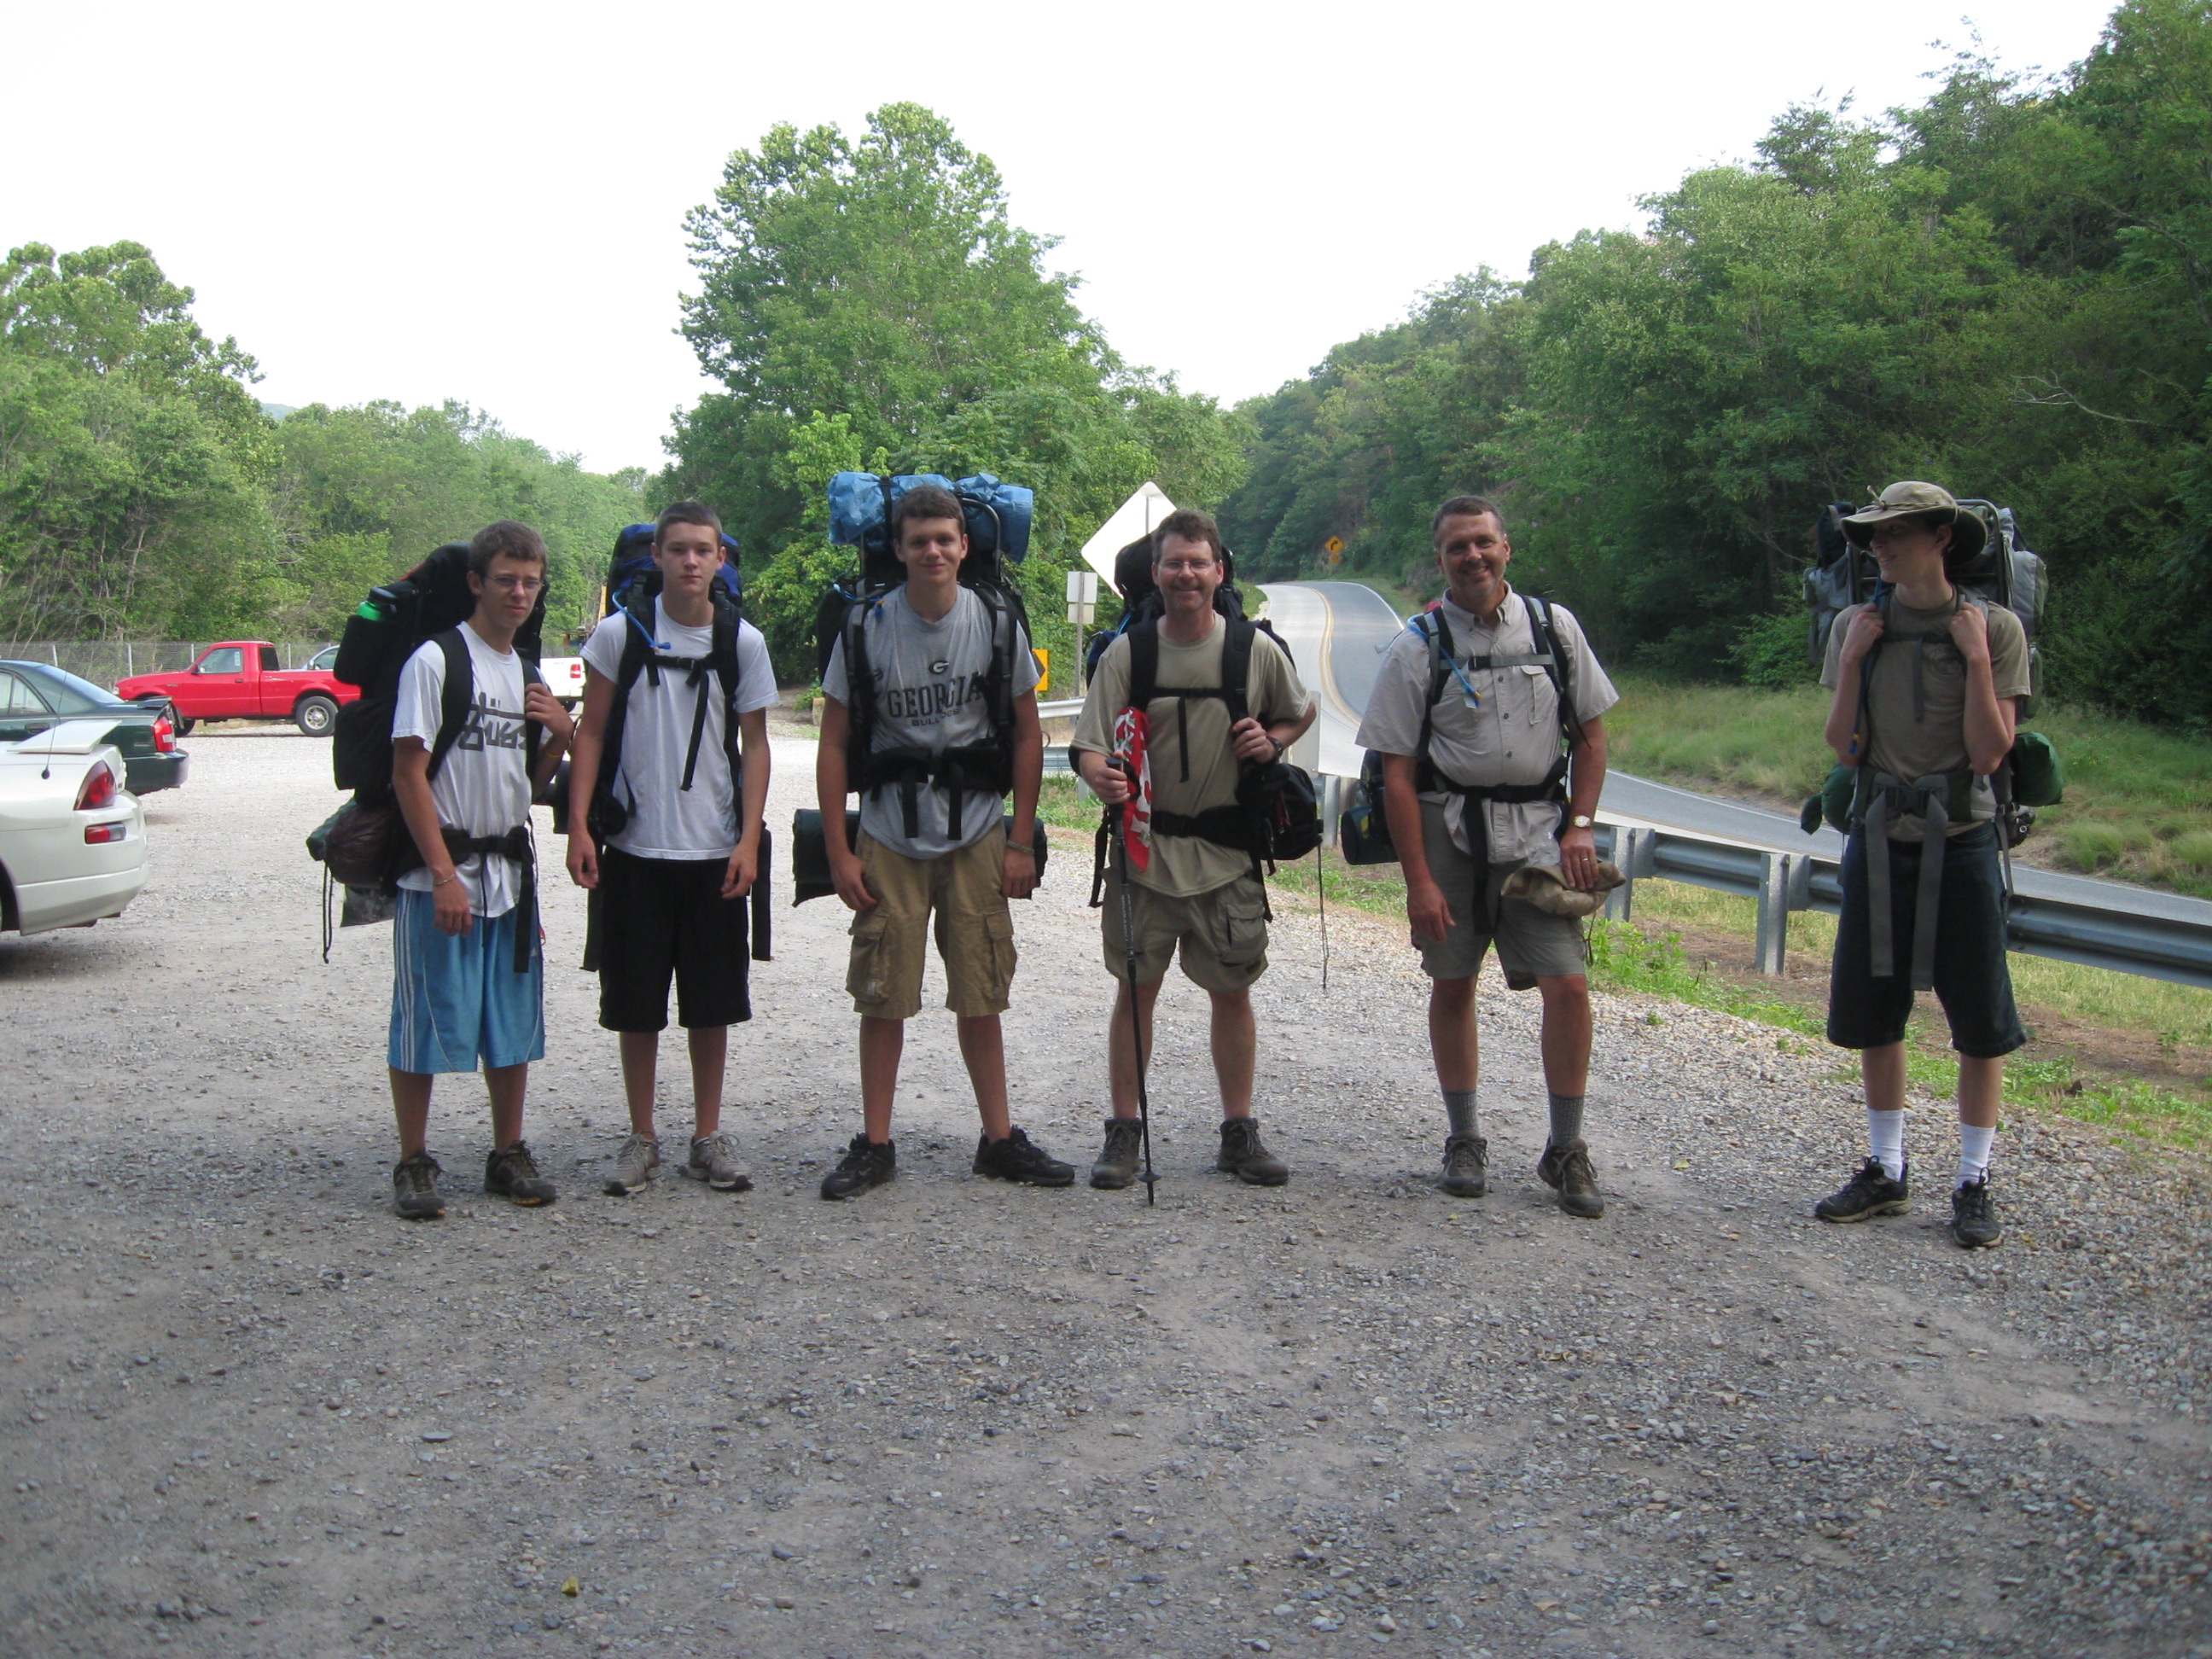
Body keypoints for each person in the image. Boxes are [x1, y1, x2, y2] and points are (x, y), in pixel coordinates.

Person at [1353, 495, 1618, 1217]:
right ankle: (1464, 1138)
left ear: (1506, 548)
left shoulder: (1553, 629)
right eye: (1456, 549)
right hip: (1450, 831)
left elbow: (1591, 739)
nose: (1472, 557)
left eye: (1483, 543)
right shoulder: (1417, 645)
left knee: (1567, 985)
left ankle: (1566, 1147)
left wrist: (1582, 826)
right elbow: (1397, 774)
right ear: (1439, 561)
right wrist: (1419, 882)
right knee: (1454, 980)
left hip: (1539, 831)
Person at [813, 483, 1072, 1197]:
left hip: (978, 832)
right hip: (889, 835)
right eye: (918, 540)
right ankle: (873, 1143)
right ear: (897, 549)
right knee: (882, 992)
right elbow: (834, 741)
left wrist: (1021, 840)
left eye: (945, 539)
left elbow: (1027, 731)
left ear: (964, 547)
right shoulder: (864, 627)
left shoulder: (994, 623)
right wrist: (840, 848)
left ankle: (998, 1139)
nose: (932, 551)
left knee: (981, 989)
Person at [1072, 509, 1316, 1189]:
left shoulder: (1251, 649)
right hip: (1144, 854)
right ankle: (1124, 1134)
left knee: (1232, 993)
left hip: (1226, 856)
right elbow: (1090, 745)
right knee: (1136, 992)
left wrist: (1274, 742)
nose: (1185, 574)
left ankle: (1239, 1133)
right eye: (1173, 562)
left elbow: (1299, 709)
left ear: (1219, 572)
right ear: (1156, 573)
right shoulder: (1130, 653)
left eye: (1197, 562)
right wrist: (1100, 775)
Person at [1815, 481, 2031, 1249]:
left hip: (1963, 840)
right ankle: (1886, 1168)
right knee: (1875, 1010)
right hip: (1878, 838)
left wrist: (1975, 661)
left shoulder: (1994, 630)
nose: (1879, 544)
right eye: (1873, 533)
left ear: (1941, 538)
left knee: (1978, 1020)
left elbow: (1987, 753)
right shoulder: (1858, 624)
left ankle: (1974, 1179)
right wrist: (1852, 663)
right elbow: (1844, 747)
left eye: (1895, 531)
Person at [565, 502, 776, 1197]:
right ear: (655, 555)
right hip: (633, 846)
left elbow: (756, 744)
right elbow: (590, 733)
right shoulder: (617, 638)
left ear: (721, 560)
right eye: (678, 549)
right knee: (635, 1001)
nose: (690, 561)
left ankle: (706, 1135)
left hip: (713, 848)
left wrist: (747, 839)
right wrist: (580, 828)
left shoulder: (741, 642)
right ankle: (642, 1134)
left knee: (712, 1003)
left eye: (703, 550)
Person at [387, 520, 574, 1219]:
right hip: (446, 870)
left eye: (530, 581)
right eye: (506, 580)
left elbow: (525, 783)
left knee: (510, 1019)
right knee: (425, 1019)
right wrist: (440, 873)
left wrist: (562, 735)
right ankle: (414, 1160)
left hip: (508, 874)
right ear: (476, 582)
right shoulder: (436, 662)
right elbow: (408, 774)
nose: (519, 593)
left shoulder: (525, 671)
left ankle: (508, 1151)